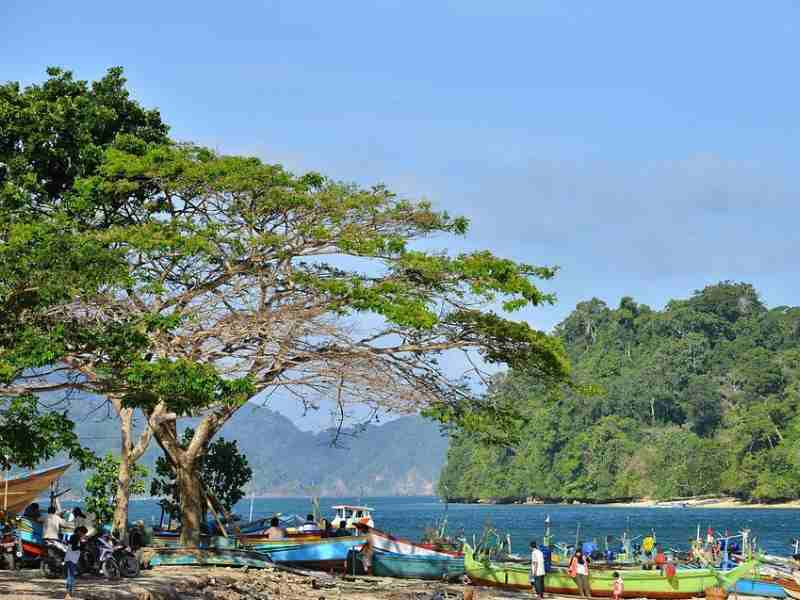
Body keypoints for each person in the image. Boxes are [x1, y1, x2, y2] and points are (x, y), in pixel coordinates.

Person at [64, 526, 87, 600]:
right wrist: (82, 545)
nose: (83, 535)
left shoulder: (75, 537)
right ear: (80, 531)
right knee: (71, 576)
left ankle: (69, 594)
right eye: (83, 533)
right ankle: (68, 594)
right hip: (71, 559)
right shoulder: (75, 537)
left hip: (71, 558)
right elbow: (74, 548)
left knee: (70, 576)